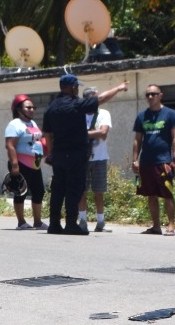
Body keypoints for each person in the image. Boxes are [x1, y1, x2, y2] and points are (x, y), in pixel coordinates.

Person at [41, 74, 127, 235]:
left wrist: (51, 153)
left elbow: (47, 133)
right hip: (75, 154)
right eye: (77, 87)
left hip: (58, 155)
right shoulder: (75, 104)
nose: (78, 89)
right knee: (74, 188)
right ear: (72, 87)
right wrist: (118, 88)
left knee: (58, 189)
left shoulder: (51, 107)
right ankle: (71, 224)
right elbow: (99, 99)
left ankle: (54, 224)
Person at [131, 83, 175, 236]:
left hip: (164, 161)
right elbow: (137, 140)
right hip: (146, 161)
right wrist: (135, 160)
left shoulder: (170, 114)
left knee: (167, 194)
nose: (150, 97)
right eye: (147, 95)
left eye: (153, 94)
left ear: (160, 95)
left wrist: (174, 158)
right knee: (151, 195)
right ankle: (156, 226)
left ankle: (171, 226)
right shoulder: (142, 116)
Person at [2, 94, 46, 230]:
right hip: (20, 164)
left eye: (33, 107)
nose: (32, 109)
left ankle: (37, 222)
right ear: (18, 109)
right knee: (21, 192)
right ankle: (21, 222)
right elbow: (10, 145)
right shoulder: (14, 124)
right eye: (28, 107)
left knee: (39, 192)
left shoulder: (32, 123)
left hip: (35, 164)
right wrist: (14, 165)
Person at [77, 88, 114, 232]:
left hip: (100, 158)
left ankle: (100, 222)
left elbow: (103, 133)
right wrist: (92, 134)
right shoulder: (79, 114)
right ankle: (83, 221)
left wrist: (83, 134)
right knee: (82, 192)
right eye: (92, 99)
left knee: (99, 192)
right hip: (82, 159)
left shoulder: (103, 113)